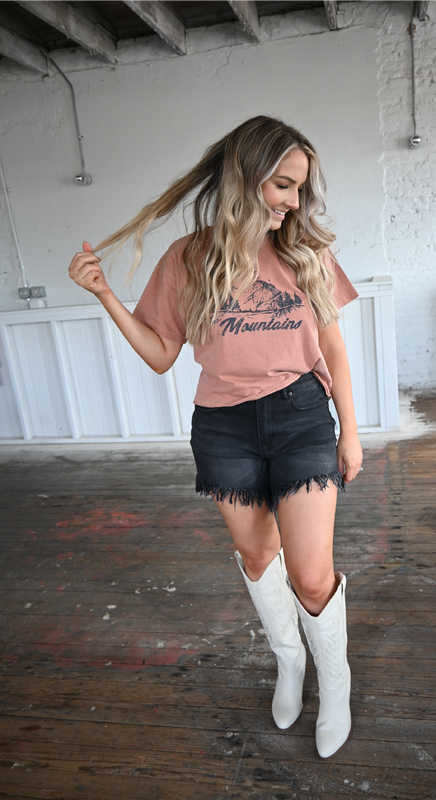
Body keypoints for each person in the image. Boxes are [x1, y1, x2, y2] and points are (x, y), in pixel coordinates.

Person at [68, 115, 363, 759]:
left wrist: (351, 432)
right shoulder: (189, 258)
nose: (291, 201)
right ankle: (290, 664)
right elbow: (160, 353)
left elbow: (334, 348)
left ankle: (334, 681)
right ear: (245, 175)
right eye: (281, 185)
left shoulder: (306, 252)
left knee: (312, 576)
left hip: (301, 417)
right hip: (224, 427)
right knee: (259, 560)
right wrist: (106, 297)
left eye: (298, 189)